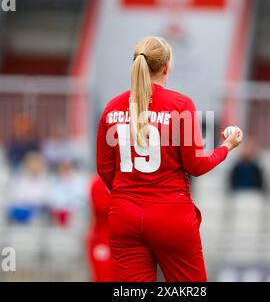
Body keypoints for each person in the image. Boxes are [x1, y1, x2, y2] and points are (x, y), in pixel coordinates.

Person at [96, 37, 243, 282]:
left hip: (124, 215)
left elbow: (105, 169)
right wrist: (226, 147)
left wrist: (129, 194)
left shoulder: (112, 107)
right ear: (166, 68)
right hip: (171, 214)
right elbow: (197, 166)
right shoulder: (180, 104)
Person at [7, 152, 49, 224]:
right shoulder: (19, 180)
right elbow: (16, 197)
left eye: (37, 164)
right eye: (32, 164)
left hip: (39, 211)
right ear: (27, 165)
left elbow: (46, 199)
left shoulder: (47, 180)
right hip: (23, 210)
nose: (34, 166)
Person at [86, 174, 113, 282]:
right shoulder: (98, 183)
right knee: (103, 277)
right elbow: (101, 208)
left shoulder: (128, 181)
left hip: (124, 241)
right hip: (101, 239)